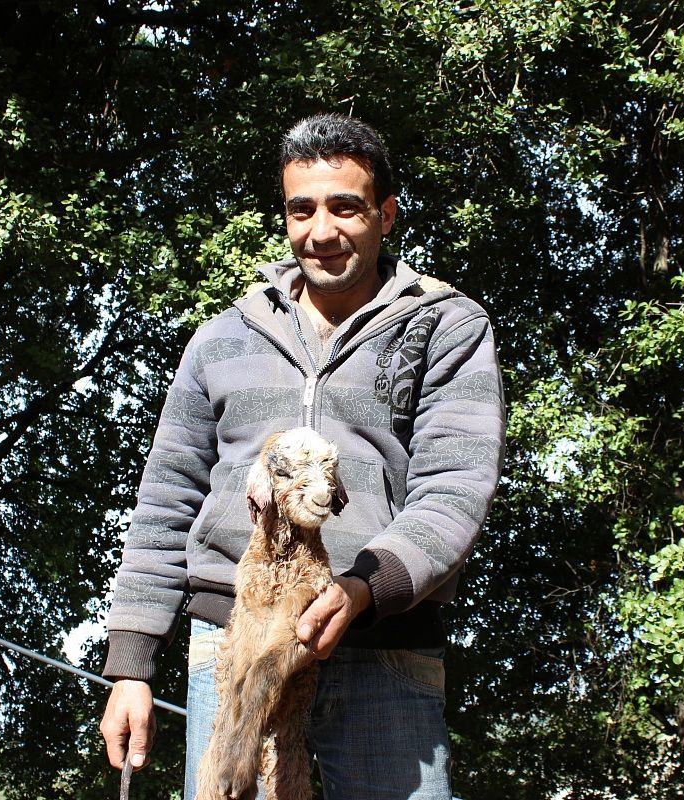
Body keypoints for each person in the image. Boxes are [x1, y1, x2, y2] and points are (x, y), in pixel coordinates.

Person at [99, 113, 505, 800]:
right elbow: (166, 498)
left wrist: (364, 587)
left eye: (345, 207)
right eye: (301, 210)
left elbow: (455, 488)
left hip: (385, 651)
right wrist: (132, 665)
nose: (321, 230)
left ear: (386, 214)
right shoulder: (221, 338)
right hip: (233, 644)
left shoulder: (448, 324)